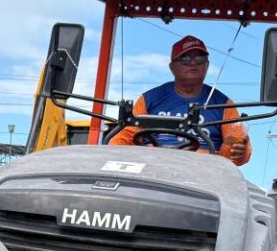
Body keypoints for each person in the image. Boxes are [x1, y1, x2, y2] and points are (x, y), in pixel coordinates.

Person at [108, 35, 252, 164]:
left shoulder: (224, 104)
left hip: (204, 173)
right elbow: (123, 138)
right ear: (172, 67)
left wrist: (239, 150)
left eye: (200, 58)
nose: (193, 63)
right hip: (151, 167)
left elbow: (235, 149)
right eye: (186, 58)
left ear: (207, 65)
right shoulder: (149, 99)